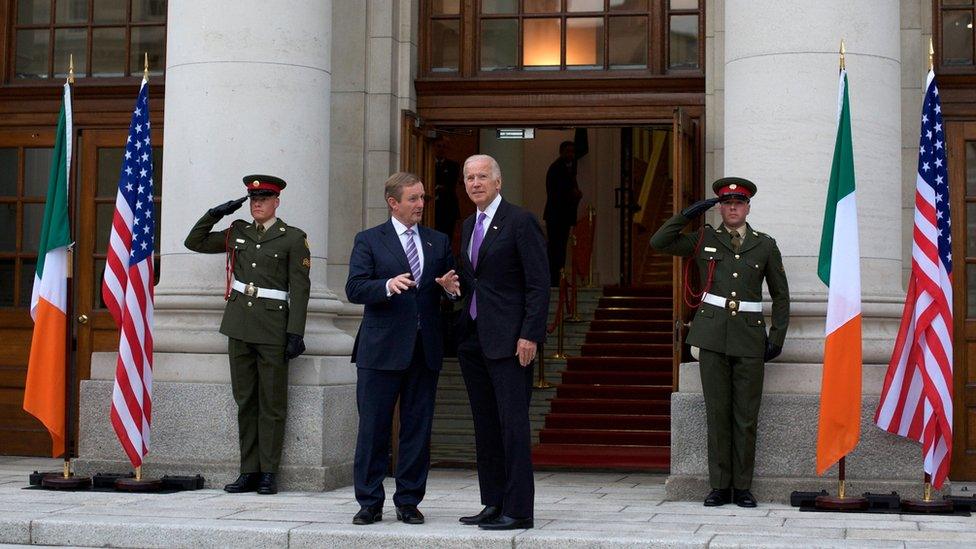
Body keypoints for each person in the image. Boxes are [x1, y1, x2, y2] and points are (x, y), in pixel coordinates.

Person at [649, 177, 789, 508]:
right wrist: (685, 215)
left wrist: (777, 336)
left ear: (748, 207)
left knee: (745, 417)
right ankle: (718, 486)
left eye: (738, 203)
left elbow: (781, 296)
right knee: (717, 414)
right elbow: (660, 242)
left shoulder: (765, 245)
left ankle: (742, 487)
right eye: (727, 204)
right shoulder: (703, 239)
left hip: (750, 339)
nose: (733, 208)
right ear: (720, 208)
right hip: (712, 337)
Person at [184, 175, 311, 496]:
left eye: (264, 199)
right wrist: (216, 213)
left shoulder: (293, 238)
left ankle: (268, 472)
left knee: (272, 404)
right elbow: (194, 242)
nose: (257, 204)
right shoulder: (237, 232)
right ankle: (248, 471)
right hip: (239, 325)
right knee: (246, 402)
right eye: (253, 199)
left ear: (276, 202)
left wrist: (295, 331)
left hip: (272, 328)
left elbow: (300, 287)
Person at [345, 172, 459, 526]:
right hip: (380, 351)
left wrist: (449, 289)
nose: (420, 205)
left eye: (423, 198)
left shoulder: (437, 242)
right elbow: (355, 288)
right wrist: (387, 284)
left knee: (417, 428)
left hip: (424, 349)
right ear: (393, 202)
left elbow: (452, 290)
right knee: (373, 429)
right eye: (413, 199)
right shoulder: (369, 240)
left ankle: (409, 500)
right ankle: (369, 501)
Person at [455, 154, 549, 530]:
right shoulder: (467, 225)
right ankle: (492, 501)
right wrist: (451, 290)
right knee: (485, 425)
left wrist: (530, 333)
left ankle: (519, 509)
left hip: (511, 341)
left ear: (498, 182)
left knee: (512, 425)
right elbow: (475, 281)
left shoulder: (520, 220)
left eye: (482, 177)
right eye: (469, 178)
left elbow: (538, 283)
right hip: (474, 339)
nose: (475, 183)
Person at [543, 131, 587, 286]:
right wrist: (573, 194)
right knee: (555, 248)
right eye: (568, 151)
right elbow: (556, 192)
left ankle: (559, 278)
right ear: (561, 152)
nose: (571, 155)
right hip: (556, 216)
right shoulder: (557, 168)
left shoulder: (569, 168)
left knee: (561, 248)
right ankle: (554, 279)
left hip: (563, 216)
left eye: (573, 152)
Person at [433, 137, 461, 240]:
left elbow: (451, 183)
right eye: (439, 146)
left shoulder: (453, 166)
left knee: (447, 236)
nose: (441, 149)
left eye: (444, 147)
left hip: (448, 206)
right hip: (430, 206)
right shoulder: (425, 162)